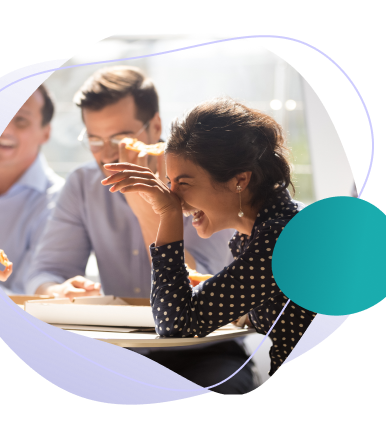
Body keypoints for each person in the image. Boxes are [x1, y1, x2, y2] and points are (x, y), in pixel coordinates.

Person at [26, 66, 258, 394]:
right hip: (119, 351)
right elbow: (45, 271)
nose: (107, 154)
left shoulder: (206, 179)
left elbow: (197, 287)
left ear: (157, 127)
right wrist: (57, 291)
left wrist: (146, 206)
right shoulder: (82, 185)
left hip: (205, 349)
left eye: (121, 138)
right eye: (94, 139)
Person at [103, 96, 318, 377]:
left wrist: (166, 215)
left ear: (240, 181)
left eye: (184, 183)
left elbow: (176, 325)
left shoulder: (280, 239)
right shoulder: (260, 233)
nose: (173, 196)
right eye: (170, 183)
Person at [0, 84, 65, 294]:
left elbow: (29, 295)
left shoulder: (59, 202)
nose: (4, 129)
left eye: (21, 121)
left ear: (46, 133)